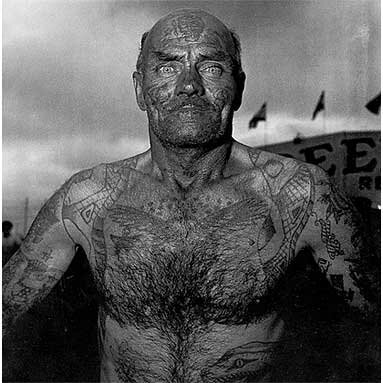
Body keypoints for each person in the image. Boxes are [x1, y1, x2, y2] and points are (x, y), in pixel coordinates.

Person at [3, 9, 378, 382]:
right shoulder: (89, 199)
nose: (189, 85)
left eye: (211, 67)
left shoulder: (301, 196)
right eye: (167, 67)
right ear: (139, 89)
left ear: (239, 87)